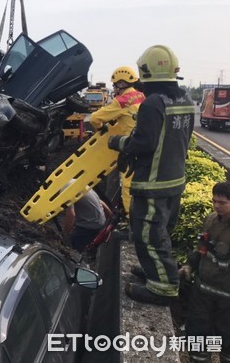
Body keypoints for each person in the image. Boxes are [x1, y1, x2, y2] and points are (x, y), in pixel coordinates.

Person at [108, 44, 195, 306]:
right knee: (162, 231)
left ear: (145, 73)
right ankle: (152, 271)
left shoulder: (153, 104)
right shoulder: (186, 100)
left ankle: (163, 287)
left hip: (153, 183)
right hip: (174, 180)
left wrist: (118, 142)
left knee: (148, 234)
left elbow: (144, 143)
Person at [182, 181, 230, 363]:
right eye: (214, 201)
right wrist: (189, 266)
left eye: (223, 203)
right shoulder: (211, 220)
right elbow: (201, 248)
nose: (217, 206)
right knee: (197, 334)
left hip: (227, 298)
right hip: (202, 292)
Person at [89, 66, 146, 215]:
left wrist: (101, 128)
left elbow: (95, 118)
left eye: (115, 85)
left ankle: (130, 220)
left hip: (131, 148)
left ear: (121, 84)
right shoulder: (141, 96)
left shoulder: (121, 101)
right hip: (147, 144)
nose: (114, 88)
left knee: (127, 184)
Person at [62, 186, 113, 252]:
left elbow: (71, 215)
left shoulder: (65, 191)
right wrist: (111, 216)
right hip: (101, 221)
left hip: (90, 225)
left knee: (71, 245)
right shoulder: (79, 183)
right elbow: (101, 202)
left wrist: (64, 234)